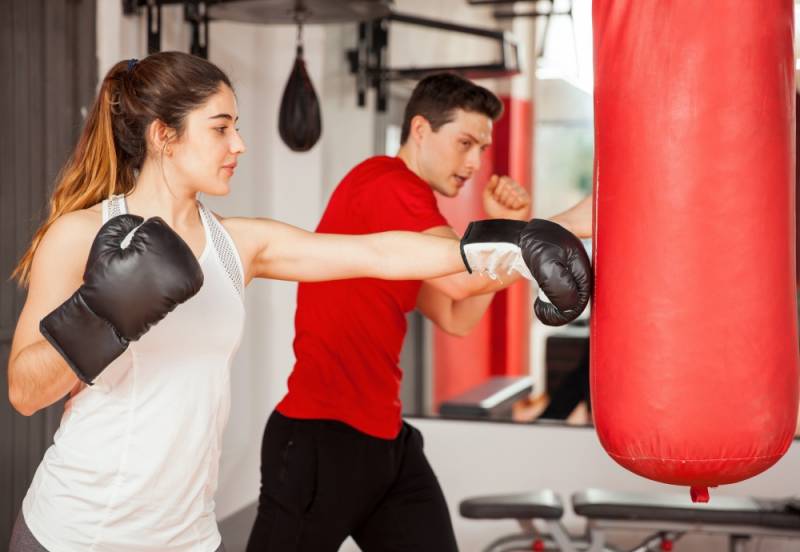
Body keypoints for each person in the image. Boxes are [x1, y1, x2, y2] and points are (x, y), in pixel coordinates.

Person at [5, 52, 588, 552]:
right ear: (164, 135)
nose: (240, 144)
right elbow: (25, 392)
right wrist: (101, 312)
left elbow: (379, 256)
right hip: (77, 530)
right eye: (221, 128)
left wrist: (509, 242)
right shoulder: (82, 235)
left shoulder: (240, 244)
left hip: (186, 535)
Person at [246, 73, 593, 552]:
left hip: (385, 442)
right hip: (322, 439)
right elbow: (460, 276)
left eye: (482, 148)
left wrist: (507, 231)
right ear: (421, 130)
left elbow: (457, 315)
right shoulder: (387, 184)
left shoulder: (411, 206)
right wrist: (567, 224)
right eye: (465, 142)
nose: (474, 162)